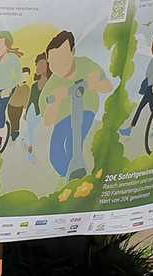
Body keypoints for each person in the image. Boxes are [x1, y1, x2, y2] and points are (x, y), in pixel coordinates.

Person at [39, 30, 114, 180]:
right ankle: (71, 177)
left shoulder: (86, 65)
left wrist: (96, 84)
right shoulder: (51, 86)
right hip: (63, 118)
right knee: (55, 154)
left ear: (73, 52)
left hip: (85, 109)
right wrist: (55, 103)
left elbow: (107, 86)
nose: (59, 65)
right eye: (53, 62)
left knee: (72, 143)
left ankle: (78, 175)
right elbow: (47, 120)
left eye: (62, 58)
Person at [122, 31, 153, 137]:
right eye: (152, 43)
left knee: (145, 107)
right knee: (151, 108)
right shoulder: (152, 61)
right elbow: (147, 74)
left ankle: (131, 129)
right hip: (149, 87)